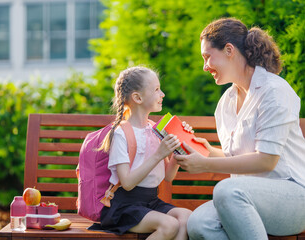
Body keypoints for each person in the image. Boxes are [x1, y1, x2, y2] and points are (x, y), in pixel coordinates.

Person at [174, 18, 305, 240]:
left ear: (229, 50)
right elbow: (238, 157)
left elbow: (266, 160)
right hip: (245, 200)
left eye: (207, 57)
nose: (205, 66)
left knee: (226, 190)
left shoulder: (273, 91)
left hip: (293, 197)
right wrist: (206, 151)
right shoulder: (225, 103)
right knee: (199, 224)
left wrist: (205, 164)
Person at [98, 66, 192, 240]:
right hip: (124, 206)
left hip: (150, 203)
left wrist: (180, 145)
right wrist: (158, 154)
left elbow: (169, 176)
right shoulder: (121, 133)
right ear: (137, 97)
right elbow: (126, 183)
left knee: (187, 218)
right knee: (169, 224)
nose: (162, 94)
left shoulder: (155, 130)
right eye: (156, 89)